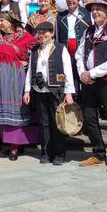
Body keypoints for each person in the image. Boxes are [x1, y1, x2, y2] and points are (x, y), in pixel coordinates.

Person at [76, 0, 107, 173]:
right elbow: (79, 53)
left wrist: (92, 73)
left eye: (99, 9)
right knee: (89, 117)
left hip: (106, 81)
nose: (95, 12)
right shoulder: (88, 31)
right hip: (88, 81)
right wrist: (83, 73)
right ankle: (98, 152)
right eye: (93, 9)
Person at [0, 11, 38, 161]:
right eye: (0, 20)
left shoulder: (23, 36)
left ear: (11, 22)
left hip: (16, 77)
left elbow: (38, 48)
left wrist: (28, 61)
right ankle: (3, 143)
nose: (0, 23)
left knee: (14, 110)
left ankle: (15, 146)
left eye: (3, 20)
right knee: (1, 110)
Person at [24, 21, 75, 166]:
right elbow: (30, 72)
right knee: (43, 123)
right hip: (39, 91)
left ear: (52, 33)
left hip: (56, 90)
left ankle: (59, 154)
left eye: (45, 32)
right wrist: (27, 90)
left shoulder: (61, 49)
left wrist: (69, 92)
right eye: (39, 32)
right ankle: (46, 153)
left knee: (57, 123)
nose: (42, 35)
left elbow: (68, 71)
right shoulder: (34, 50)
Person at [56, 0, 90, 93]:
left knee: (84, 79)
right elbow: (57, 37)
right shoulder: (60, 16)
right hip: (66, 53)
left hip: (83, 52)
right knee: (68, 78)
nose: (70, 0)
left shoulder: (88, 14)